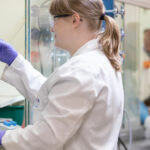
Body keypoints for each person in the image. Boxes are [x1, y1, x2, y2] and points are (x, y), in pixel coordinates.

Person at [0, 0, 124, 149]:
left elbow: (47, 137)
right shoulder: (99, 62)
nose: (52, 28)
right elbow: (54, 98)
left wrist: (4, 137)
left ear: (74, 20)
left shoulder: (83, 70)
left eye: (55, 19)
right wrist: (16, 62)